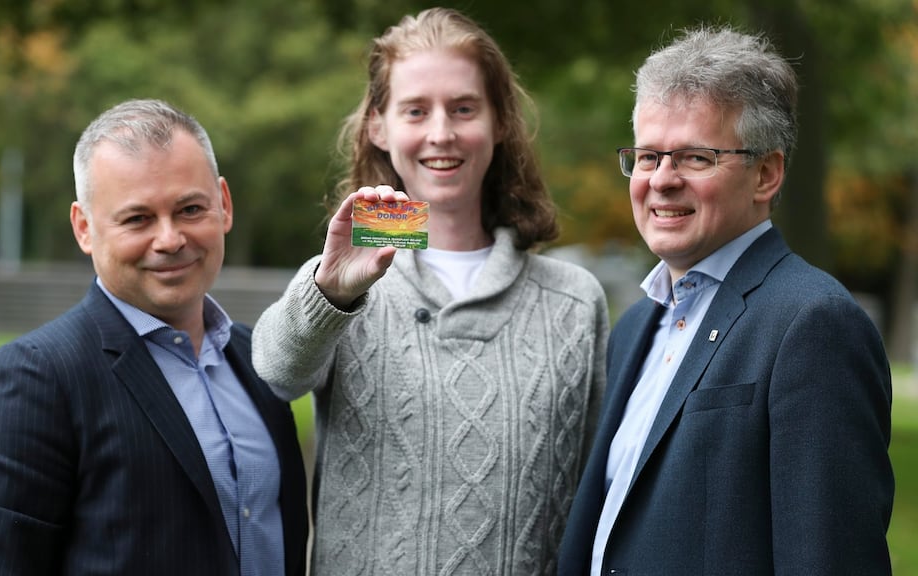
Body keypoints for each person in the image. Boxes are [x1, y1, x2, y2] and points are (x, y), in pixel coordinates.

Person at [251, 7, 609, 575]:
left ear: (498, 122)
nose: (441, 133)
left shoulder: (573, 300)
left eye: (464, 108)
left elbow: (593, 494)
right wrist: (330, 293)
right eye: (416, 110)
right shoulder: (342, 283)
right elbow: (276, 370)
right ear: (378, 125)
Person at [556, 25, 894, 575]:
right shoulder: (636, 324)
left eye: (694, 157)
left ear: (766, 173)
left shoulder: (813, 323)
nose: (661, 181)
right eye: (647, 157)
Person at [0, 98, 308, 575]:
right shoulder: (33, 379)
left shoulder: (258, 357)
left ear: (224, 205)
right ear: (84, 228)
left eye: (190, 208)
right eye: (138, 218)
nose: (170, 239)